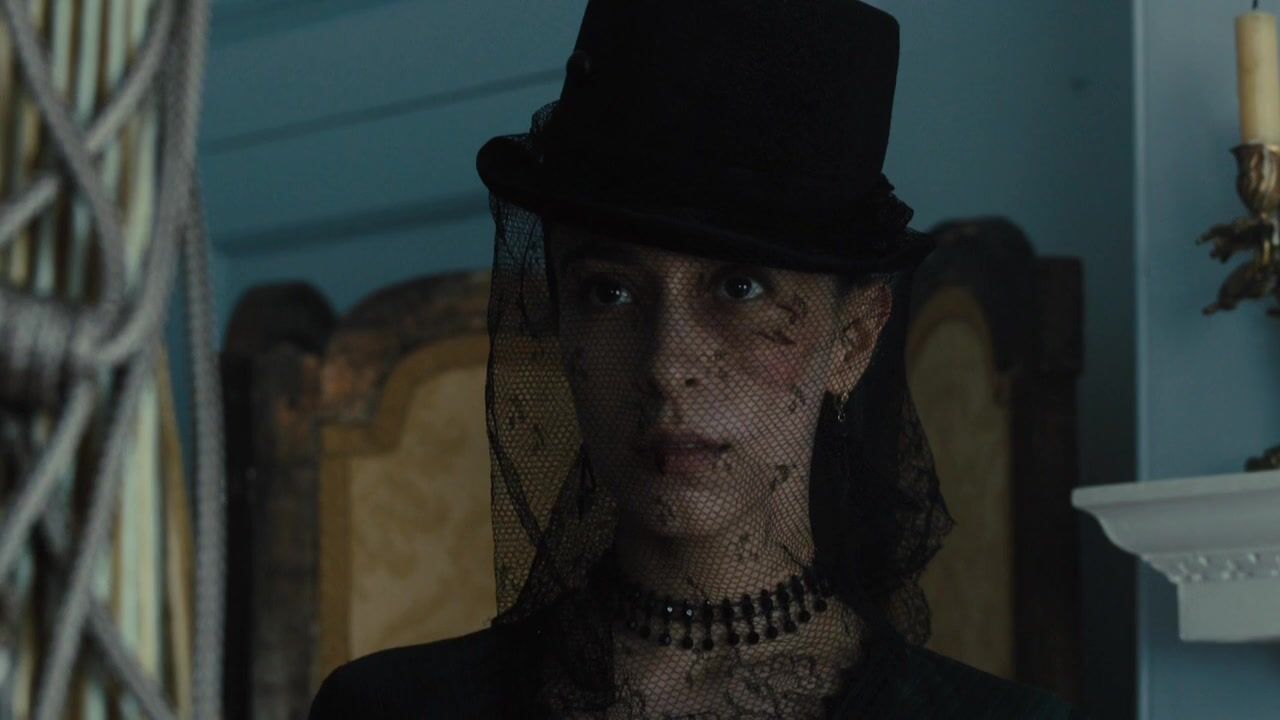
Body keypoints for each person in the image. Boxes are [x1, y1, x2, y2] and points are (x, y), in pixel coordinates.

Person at [309, 0, 1086, 717]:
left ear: (852, 340)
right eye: (610, 292)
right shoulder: (389, 709)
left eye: (740, 288)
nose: (664, 365)